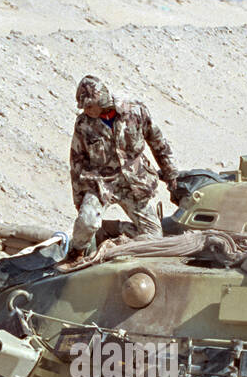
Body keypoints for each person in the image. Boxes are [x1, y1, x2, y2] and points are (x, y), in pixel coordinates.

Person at [66, 75, 178, 262]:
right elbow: (76, 162)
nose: (87, 110)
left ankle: (112, 232)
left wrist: (171, 173)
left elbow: (157, 141)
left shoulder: (135, 112)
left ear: (102, 100)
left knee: (154, 239)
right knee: (86, 221)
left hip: (135, 184)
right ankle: (75, 254)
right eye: (84, 107)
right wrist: (79, 199)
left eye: (90, 105)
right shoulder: (83, 124)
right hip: (101, 184)